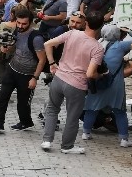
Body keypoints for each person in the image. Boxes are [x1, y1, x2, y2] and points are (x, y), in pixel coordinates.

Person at [39, 10, 106, 153]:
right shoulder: (98, 48)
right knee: (72, 116)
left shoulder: (71, 33)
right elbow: (90, 73)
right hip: (76, 85)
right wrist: (100, 76)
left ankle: (47, 140)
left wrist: (52, 63)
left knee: (52, 109)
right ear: (101, 26)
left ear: (85, 22)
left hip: (59, 78)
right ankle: (67, 146)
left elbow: (48, 44)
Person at [0, 7, 47, 135]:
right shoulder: (17, 31)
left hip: (27, 75)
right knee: (2, 97)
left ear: (30, 22)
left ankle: (26, 122)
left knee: (23, 103)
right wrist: (7, 49)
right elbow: (15, 47)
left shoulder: (36, 38)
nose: (20, 26)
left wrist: (35, 78)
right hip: (12, 69)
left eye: (24, 24)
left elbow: (42, 60)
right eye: (18, 23)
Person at [82, 25, 132, 147]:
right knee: (120, 111)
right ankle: (124, 140)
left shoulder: (97, 44)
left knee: (91, 109)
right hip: (115, 85)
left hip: (98, 82)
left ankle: (86, 133)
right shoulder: (121, 46)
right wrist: (129, 31)